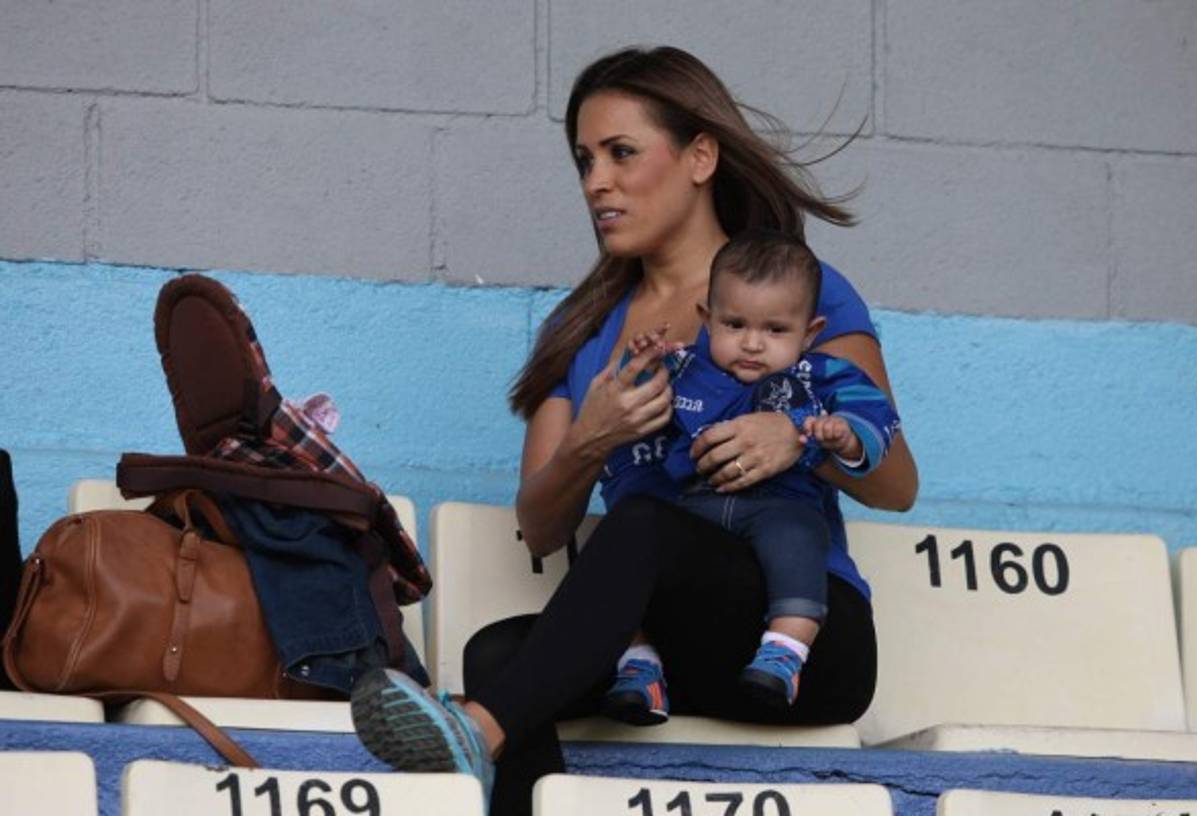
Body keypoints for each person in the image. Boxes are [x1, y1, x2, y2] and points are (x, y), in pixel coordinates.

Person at [350, 45, 919, 816]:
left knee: (643, 524)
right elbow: (541, 526)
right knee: (498, 651)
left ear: (700, 157)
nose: (596, 183)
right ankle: (488, 747)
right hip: (660, 653)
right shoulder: (583, 329)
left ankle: (473, 736)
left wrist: (797, 436)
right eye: (584, 161)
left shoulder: (792, 292)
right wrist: (592, 438)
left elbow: (898, 485)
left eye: (621, 154)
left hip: (803, 639)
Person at [603, 230, 901, 723]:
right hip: (695, 508)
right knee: (632, 546)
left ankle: (785, 651)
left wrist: (846, 436)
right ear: (706, 319)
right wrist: (639, 365)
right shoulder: (684, 368)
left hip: (779, 507)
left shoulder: (819, 376)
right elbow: (627, 403)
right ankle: (640, 665)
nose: (752, 343)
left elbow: (875, 413)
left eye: (776, 330)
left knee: (802, 537)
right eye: (734, 323)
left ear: (809, 332)